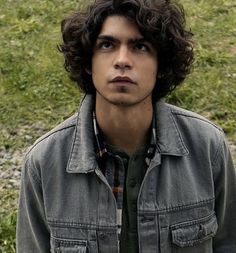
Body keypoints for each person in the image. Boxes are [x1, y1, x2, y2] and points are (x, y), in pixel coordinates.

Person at [16, 0, 236, 252]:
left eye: (140, 46)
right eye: (107, 45)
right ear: (89, 62)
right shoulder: (43, 162)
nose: (122, 60)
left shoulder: (208, 146)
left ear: (161, 65)